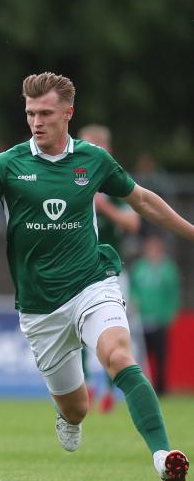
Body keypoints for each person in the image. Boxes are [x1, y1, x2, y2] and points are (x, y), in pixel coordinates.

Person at [0, 72, 189, 481]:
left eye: (46, 113)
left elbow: (141, 200)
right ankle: (67, 417)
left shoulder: (93, 160)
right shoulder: (8, 165)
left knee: (118, 354)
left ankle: (164, 457)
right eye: (31, 113)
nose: (36, 121)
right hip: (39, 307)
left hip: (92, 283)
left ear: (68, 113)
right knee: (77, 409)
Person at [77, 124, 142, 414]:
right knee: (75, 336)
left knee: (112, 333)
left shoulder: (113, 185)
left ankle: (108, 390)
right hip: (75, 272)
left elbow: (133, 223)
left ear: (107, 150)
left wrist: (104, 208)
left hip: (110, 273)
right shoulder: (72, 180)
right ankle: (86, 387)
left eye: (94, 146)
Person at [130, 233, 181, 396]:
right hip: (142, 319)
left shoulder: (167, 268)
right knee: (141, 355)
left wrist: (170, 314)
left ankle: (161, 389)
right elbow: (133, 288)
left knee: (160, 356)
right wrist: (133, 301)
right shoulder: (139, 267)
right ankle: (142, 387)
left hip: (159, 319)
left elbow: (172, 293)